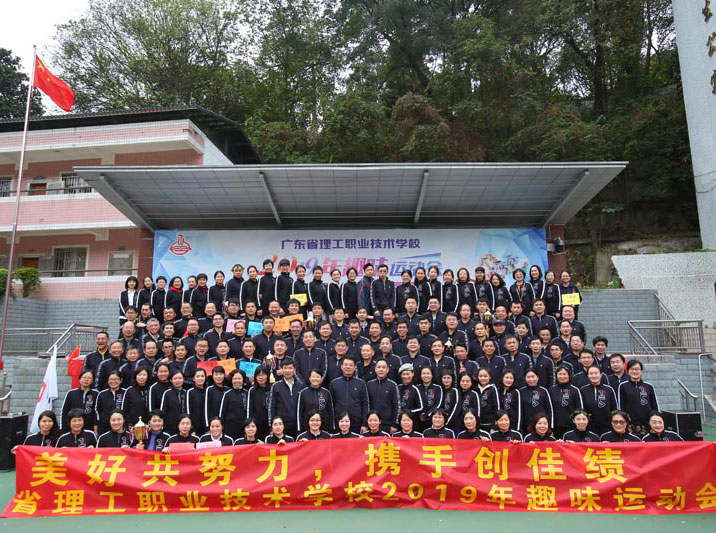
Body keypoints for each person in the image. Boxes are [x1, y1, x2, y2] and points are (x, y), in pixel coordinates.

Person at [618, 359, 659, 437]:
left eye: (637, 369)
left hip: (647, 424)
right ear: (628, 371)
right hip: (630, 424)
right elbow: (621, 406)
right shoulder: (623, 386)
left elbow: (655, 406)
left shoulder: (648, 386)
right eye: (632, 369)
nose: (634, 371)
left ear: (641, 371)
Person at [330, 357, 370, 434]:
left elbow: (365, 404)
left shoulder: (361, 383)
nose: (348, 367)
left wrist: (364, 424)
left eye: (351, 365)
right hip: (339, 423)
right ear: (341, 367)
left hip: (356, 423)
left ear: (354, 367)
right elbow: (331, 405)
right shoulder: (334, 383)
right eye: (346, 365)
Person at [269, 357, 306, 437]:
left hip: (298, 425)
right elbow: (272, 407)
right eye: (285, 368)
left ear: (294, 370)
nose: (287, 371)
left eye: (290, 368)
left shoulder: (301, 386)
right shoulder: (276, 386)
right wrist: (271, 426)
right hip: (281, 425)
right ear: (281, 370)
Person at [580, 366, 618, 436]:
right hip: (589, 427)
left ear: (601, 375)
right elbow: (581, 409)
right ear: (588, 375)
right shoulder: (583, 390)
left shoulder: (609, 389)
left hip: (607, 426)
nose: (594, 376)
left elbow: (614, 409)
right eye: (591, 374)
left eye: (596, 373)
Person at [548, 365, 583, 439]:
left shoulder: (575, 390)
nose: (562, 376)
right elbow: (549, 408)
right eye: (560, 374)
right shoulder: (551, 390)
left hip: (571, 426)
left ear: (569, 375)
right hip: (555, 426)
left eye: (564, 374)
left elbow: (579, 409)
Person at [297, 369, 335, 434]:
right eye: (313, 376)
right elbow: (300, 413)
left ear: (321, 378)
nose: (315, 379)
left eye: (317, 377)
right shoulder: (303, 393)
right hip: (307, 429)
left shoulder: (326, 392)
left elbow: (330, 412)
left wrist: (331, 429)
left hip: (324, 429)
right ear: (309, 378)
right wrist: (300, 430)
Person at [219, 369, 248, 440]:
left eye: (239, 378)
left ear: (243, 379)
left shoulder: (247, 393)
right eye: (234, 379)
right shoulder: (227, 394)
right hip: (230, 428)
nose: (237, 380)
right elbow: (222, 412)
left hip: (245, 428)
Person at [247, 366, 271, 440]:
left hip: (270, 424)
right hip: (256, 425)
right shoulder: (252, 390)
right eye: (258, 375)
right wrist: (250, 425)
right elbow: (249, 409)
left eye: (263, 375)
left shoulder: (272, 388)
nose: (261, 377)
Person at [416, 366, 443, 431]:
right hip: (418, 420)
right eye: (423, 373)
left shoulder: (438, 388)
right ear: (420, 375)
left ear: (432, 375)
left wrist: (428, 414)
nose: (426, 376)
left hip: (432, 419)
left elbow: (438, 404)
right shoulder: (416, 388)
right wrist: (420, 414)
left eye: (428, 373)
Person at [187, 367, 208, 437]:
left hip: (207, 428)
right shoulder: (190, 392)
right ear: (193, 378)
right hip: (195, 428)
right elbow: (188, 411)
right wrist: (191, 428)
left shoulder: (207, 391)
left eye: (202, 376)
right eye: (198, 376)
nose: (200, 378)